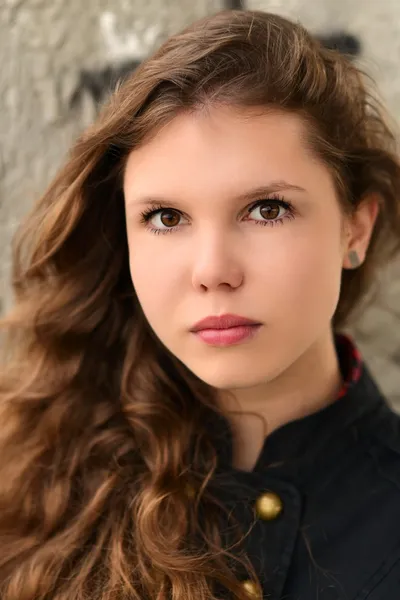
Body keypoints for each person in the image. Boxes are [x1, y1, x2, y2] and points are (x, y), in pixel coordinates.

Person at [1, 8, 400, 600]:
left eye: (267, 209)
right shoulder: (31, 462)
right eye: (166, 218)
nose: (213, 271)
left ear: (354, 230)